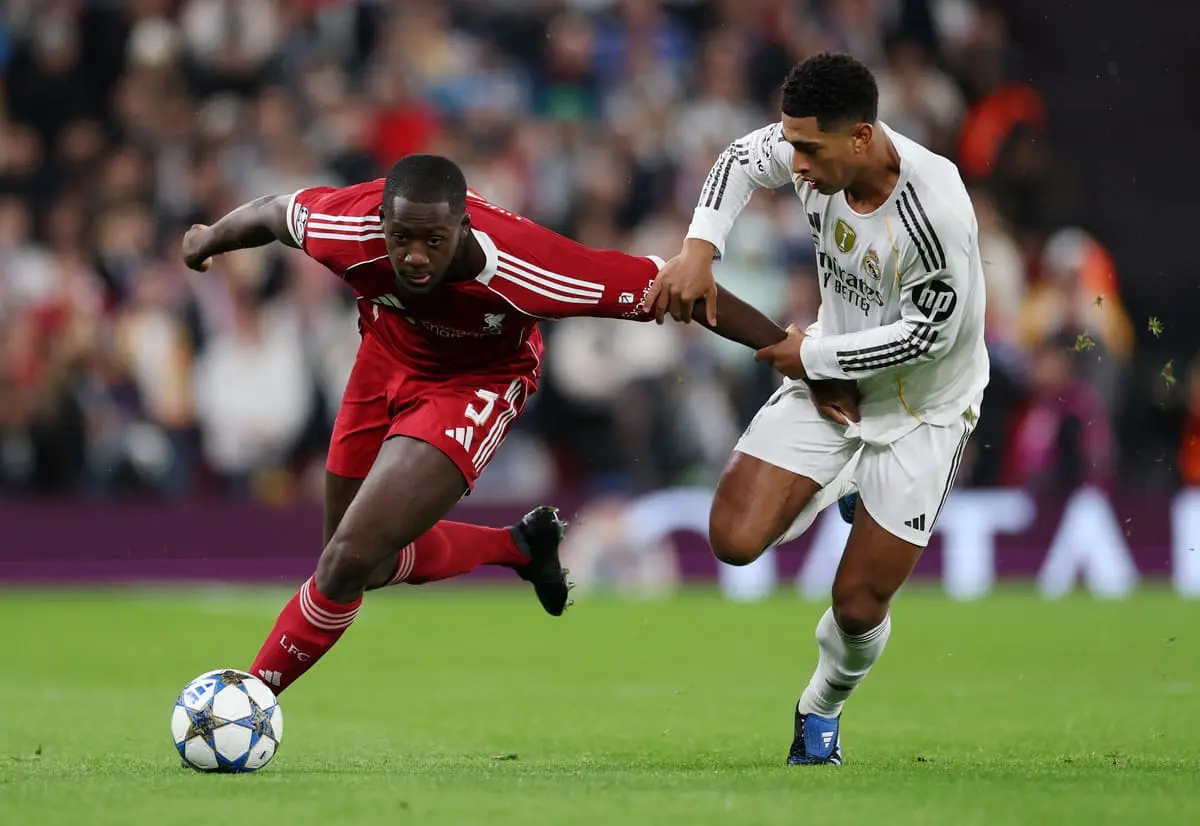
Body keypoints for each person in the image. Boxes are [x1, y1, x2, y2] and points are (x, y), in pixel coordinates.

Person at [181, 153, 787, 696]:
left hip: (476, 385)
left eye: (434, 240)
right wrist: (208, 239)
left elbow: (684, 287)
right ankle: (517, 546)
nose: (415, 257)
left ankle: (247, 700)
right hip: (381, 361)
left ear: (463, 228)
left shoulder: (527, 266)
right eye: (401, 239)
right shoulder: (345, 227)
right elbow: (270, 213)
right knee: (355, 563)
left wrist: (787, 350)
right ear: (381, 226)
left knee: (344, 562)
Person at [645, 53, 989, 765]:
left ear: (860, 137)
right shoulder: (809, 153)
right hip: (832, 371)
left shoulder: (936, 212)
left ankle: (820, 709)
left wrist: (811, 358)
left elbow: (933, 335)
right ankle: (844, 486)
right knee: (732, 538)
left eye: (808, 148)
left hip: (925, 408)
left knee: (859, 604)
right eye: (791, 143)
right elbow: (741, 157)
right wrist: (700, 247)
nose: (794, 163)